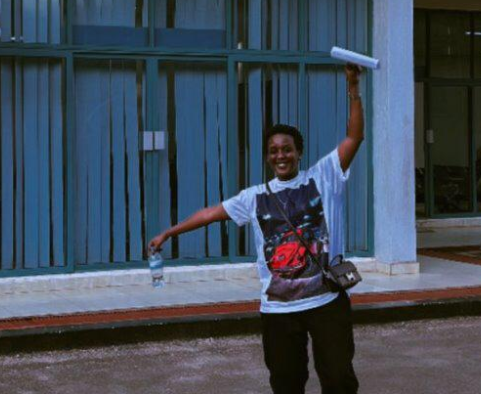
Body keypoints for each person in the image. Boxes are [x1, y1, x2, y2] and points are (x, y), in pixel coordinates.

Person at [148, 64, 364, 394]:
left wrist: (353, 88)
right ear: (267, 157)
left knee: (338, 379)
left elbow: (354, 137)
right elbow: (209, 214)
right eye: (274, 151)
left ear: (299, 152)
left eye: (287, 149)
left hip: (326, 302)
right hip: (278, 308)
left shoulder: (324, 177)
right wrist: (168, 233)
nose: (281, 155)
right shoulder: (253, 197)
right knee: (285, 382)